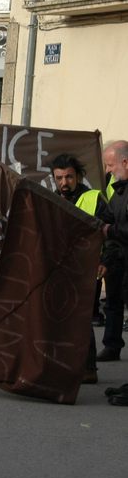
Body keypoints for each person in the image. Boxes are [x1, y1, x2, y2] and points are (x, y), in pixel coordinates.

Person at [50, 154, 108, 383]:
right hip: (60, 268)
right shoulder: (52, 199)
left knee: (81, 317)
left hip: (88, 267)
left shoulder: (94, 198)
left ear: (79, 176)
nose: (64, 182)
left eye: (69, 177)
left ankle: (88, 368)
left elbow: (109, 234)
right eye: (59, 178)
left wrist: (105, 261)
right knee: (60, 317)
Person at [99, 140, 128, 362]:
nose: (107, 171)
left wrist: (109, 230)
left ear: (125, 162)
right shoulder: (118, 192)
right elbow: (108, 217)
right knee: (113, 303)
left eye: (110, 165)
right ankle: (112, 345)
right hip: (118, 258)